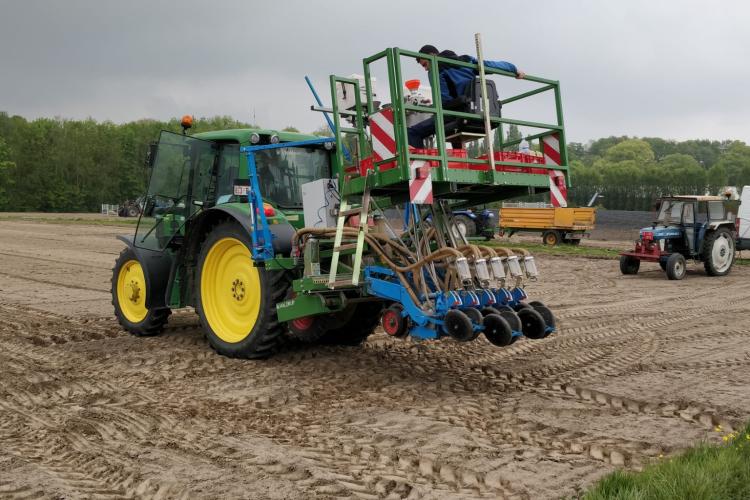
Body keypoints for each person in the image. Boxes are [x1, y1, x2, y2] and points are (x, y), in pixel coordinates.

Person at [408, 45, 525, 148]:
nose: (426, 69)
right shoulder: (466, 61)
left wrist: (430, 107)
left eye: (425, 64)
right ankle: (462, 161)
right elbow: (491, 65)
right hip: (477, 112)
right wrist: (514, 69)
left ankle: (419, 166)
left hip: (456, 113)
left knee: (412, 132)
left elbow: (443, 102)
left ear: (432, 56)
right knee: (451, 124)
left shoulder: (436, 68)